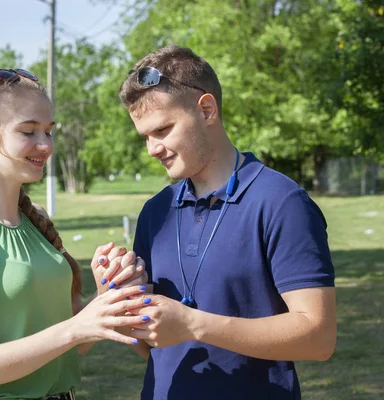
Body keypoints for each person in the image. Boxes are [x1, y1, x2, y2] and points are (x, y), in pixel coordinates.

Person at [112, 45, 337, 399]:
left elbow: (318, 338)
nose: (152, 149)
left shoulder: (282, 202)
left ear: (206, 110)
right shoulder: (155, 213)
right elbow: (153, 348)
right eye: (146, 137)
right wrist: (121, 298)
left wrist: (194, 325)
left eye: (163, 130)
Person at [0, 68, 148, 400]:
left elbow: (73, 345)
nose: (45, 145)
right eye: (28, 131)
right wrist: (75, 327)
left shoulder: (36, 219)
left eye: (48, 131)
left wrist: (104, 299)